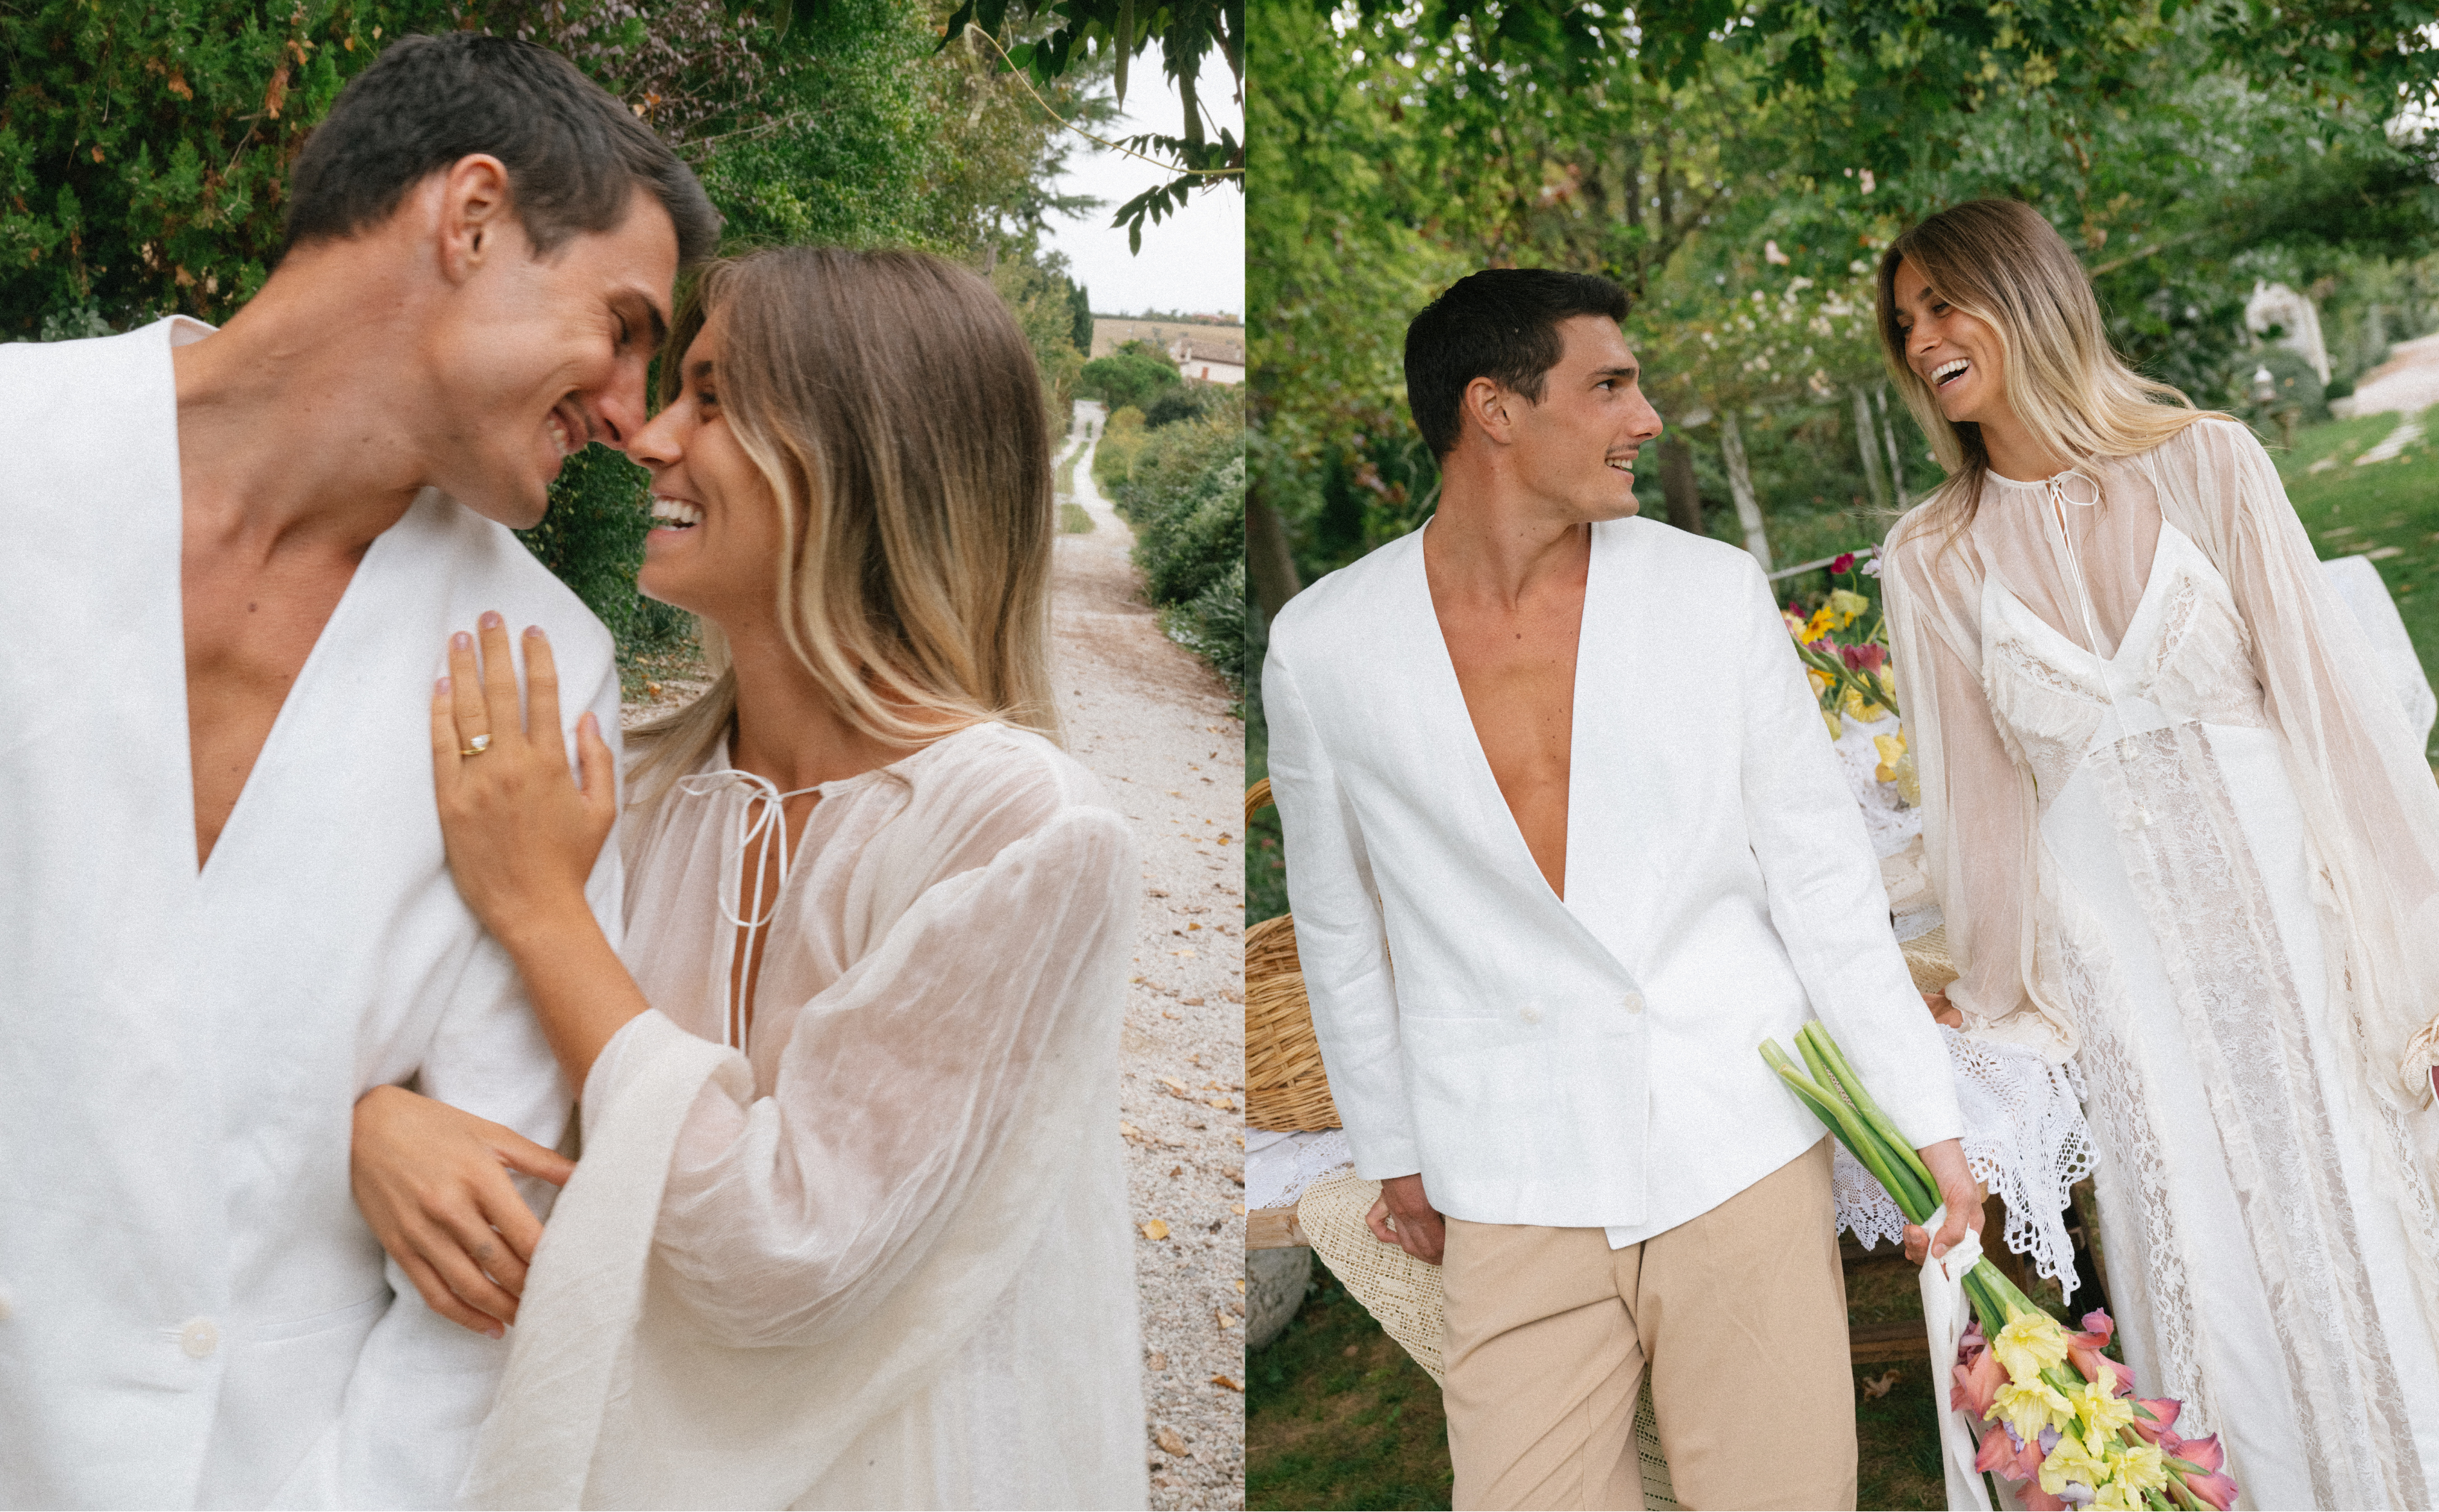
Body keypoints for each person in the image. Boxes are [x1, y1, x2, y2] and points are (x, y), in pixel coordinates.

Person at [0, 35, 718, 1508]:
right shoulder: (19, 458)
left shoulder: (540, 661)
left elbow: (495, 1230)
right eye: (623, 327)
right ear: (472, 217)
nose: (631, 415)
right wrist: (336, 1119)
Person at [349, 246, 1149, 1509]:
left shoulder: (1026, 832)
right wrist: (374, 1123)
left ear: (864, 453)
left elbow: (786, 1253)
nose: (648, 436)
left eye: (712, 399)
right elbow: (504, 1086)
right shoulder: (634, 786)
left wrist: (545, 912)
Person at [1261, 267, 1974, 1511]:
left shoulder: (1707, 592)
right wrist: (1393, 1151)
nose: (1645, 418)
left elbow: (1819, 876)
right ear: (1493, 408)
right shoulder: (1323, 644)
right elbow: (1337, 924)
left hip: (1733, 1135)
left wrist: (1926, 1117)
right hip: (1505, 1164)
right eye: (1608, 386)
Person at [1877, 198, 2439, 1507]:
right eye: (1904, 324)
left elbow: (2336, 721)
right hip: (2123, 978)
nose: (1922, 339)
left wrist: (2418, 959)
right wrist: (1990, 998)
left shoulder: (2208, 462)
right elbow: (1981, 815)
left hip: (2301, 931)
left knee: (2370, 1217)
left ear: (2030, 297)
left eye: (1945, 304)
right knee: (2208, 1258)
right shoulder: (1931, 556)